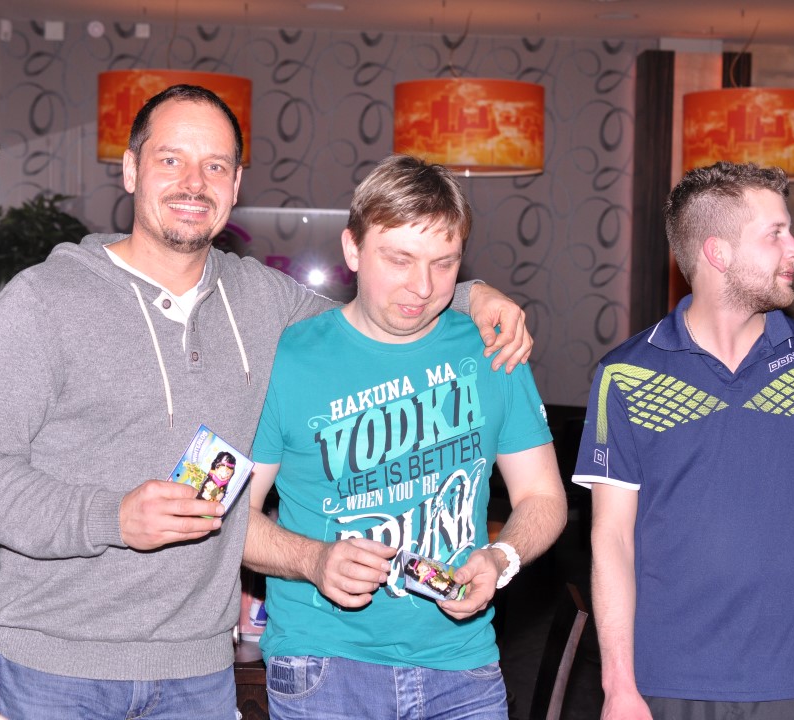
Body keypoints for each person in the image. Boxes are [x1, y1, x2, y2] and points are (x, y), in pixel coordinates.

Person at [0, 85, 532, 719]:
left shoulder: (262, 299)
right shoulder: (44, 300)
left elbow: (378, 310)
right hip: (56, 670)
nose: (194, 182)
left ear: (237, 183)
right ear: (131, 169)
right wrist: (112, 517)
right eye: (171, 159)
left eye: (215, 165)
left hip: (200, 674)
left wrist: (474, 294)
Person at [242, 154, 568, 719]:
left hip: (463, 666)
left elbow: (542, 496)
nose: (423, 286)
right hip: (324, 664)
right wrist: (314, 560)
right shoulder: (287, 358)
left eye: (445, 263)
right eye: (400, 259)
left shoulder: (493, 350)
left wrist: (500, 558)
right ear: (352, 249)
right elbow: (230, 515)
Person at [575, 162, 794, 720]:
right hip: (662, 682)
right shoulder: (623, 375)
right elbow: (612, 539)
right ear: (718, 252)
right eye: (776, 234)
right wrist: (617, 683)